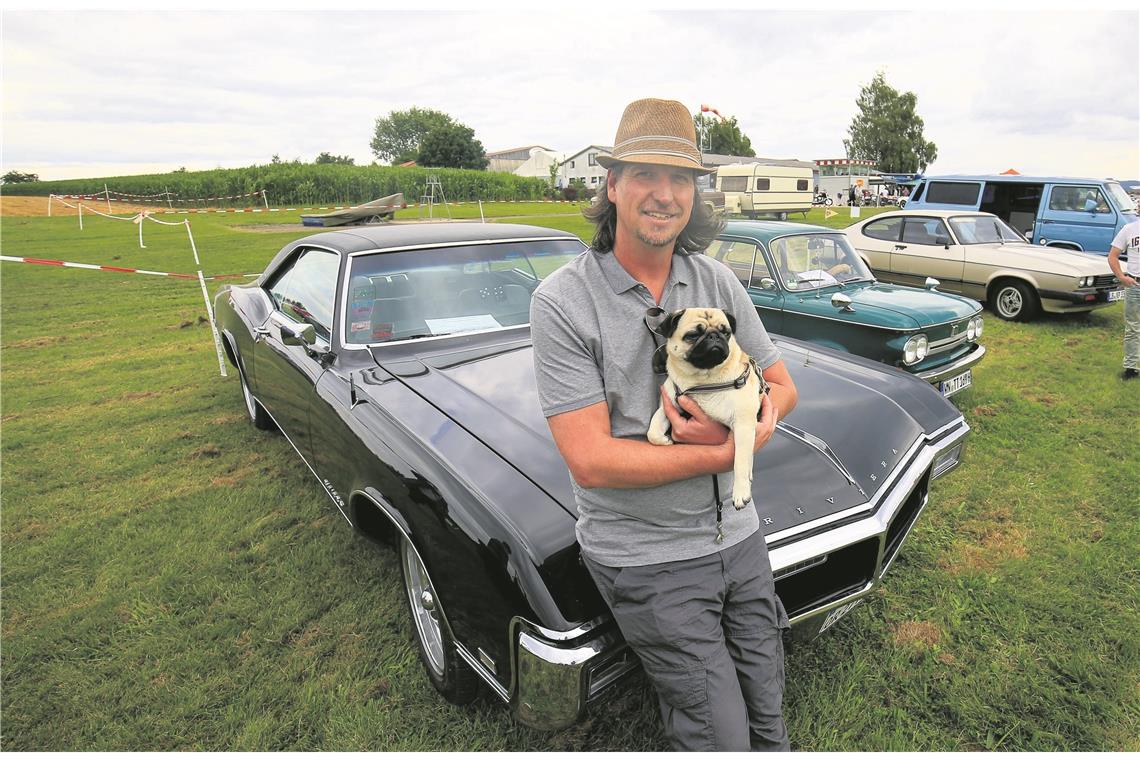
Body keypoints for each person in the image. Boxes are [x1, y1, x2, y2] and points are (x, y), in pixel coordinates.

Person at [530, 98, 798, 751]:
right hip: (650, 560)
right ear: (612, 185)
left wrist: (755, 421)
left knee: (770, 704)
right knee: (719, 734)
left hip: (740, 539)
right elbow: (591, 460)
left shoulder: (715, 282)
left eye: (680, 178)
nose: (664, 193)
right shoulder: (563, 303)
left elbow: (785, 387)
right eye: (645, 174)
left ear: (695, 194)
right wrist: (723, 450)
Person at [1107, 217, 1140, 380]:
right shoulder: (1129, 229)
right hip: (1134, 285)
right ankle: (1131, 368)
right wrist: (1121, 276)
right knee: (1133, 328)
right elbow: (1113, 256)